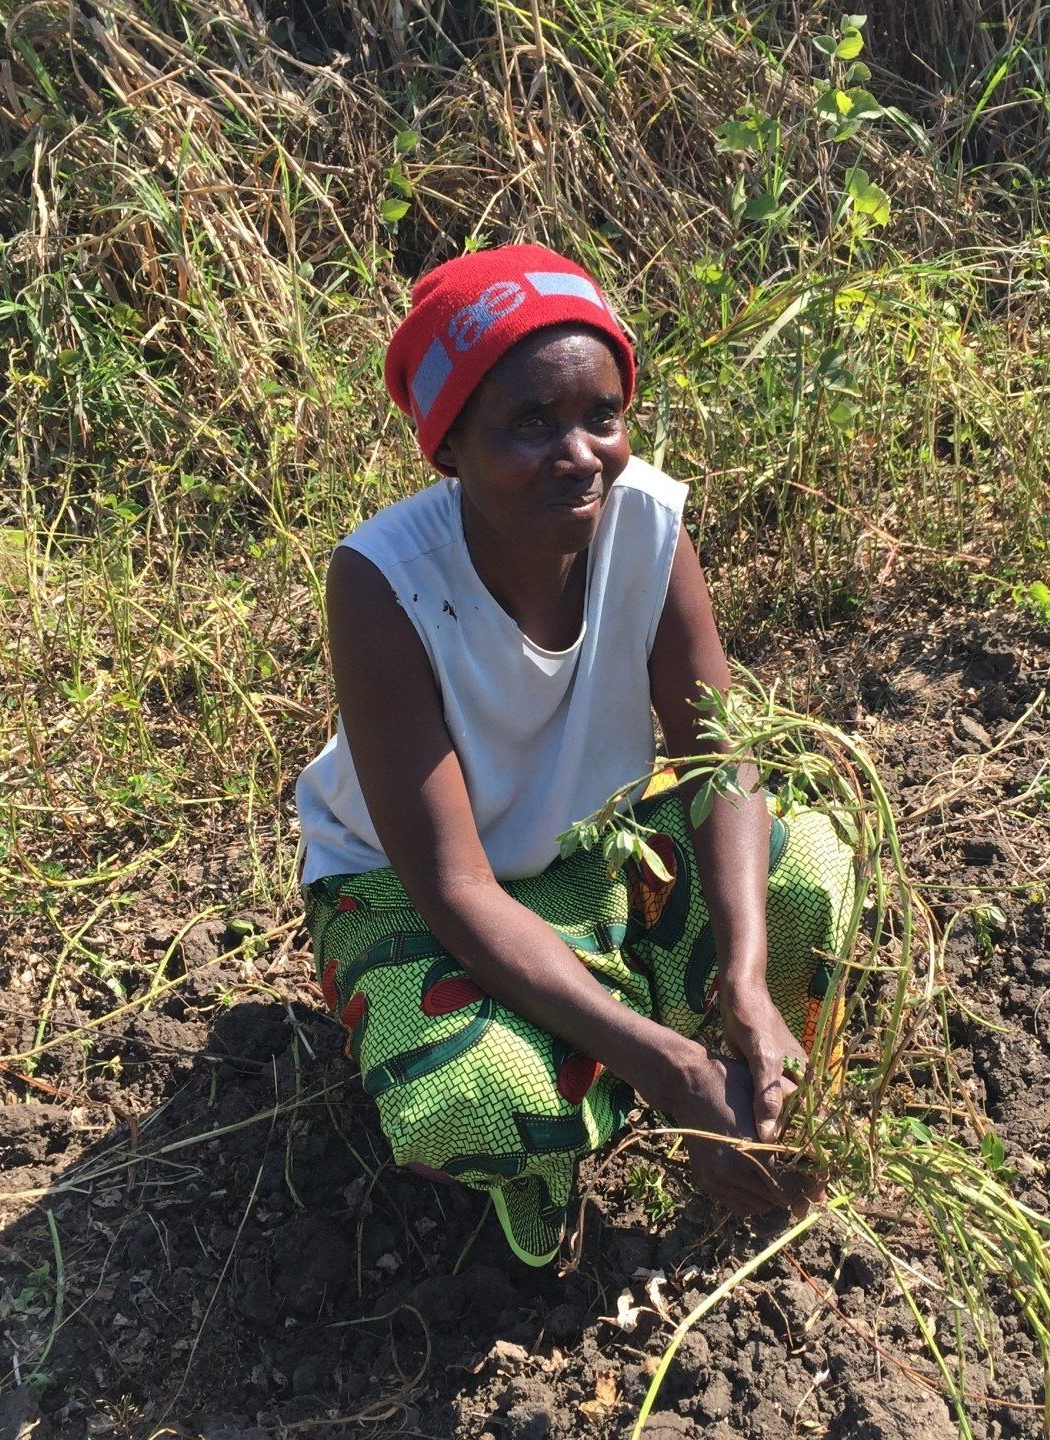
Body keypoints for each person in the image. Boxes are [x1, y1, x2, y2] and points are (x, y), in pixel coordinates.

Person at [295, 244, 857, 1265]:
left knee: (808, 869)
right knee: (473, 1104)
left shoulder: (645, 522)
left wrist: (744, 975)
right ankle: (574, 1145)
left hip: (598, 857)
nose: (582, 453)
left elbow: (720, 758)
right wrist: (667, 1073)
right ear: (450, 444)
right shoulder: (384, 585)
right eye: (529, 425)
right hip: (409, 901)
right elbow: (458, 892)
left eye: (602, 416)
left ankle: (744, 1080)